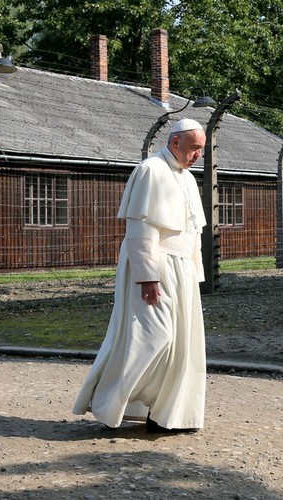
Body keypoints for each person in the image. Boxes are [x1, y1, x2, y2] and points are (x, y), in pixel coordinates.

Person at [73, 118, 208, 433]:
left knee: (182, 345)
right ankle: (107, 401)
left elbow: (192, 232)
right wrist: (147, 277)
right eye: (194, 148)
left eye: (201, 149)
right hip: (156, 266)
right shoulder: (151, 170)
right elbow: (140, 230)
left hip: (182, 270)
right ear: (175, 143)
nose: (198, 155)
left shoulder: (187, 178)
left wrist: (194, 273)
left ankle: (165, 414)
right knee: (153, 338)